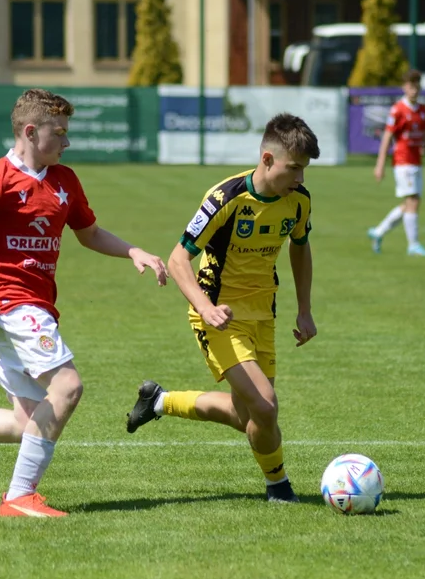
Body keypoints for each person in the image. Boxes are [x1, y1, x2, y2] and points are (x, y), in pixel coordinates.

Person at [0, 88, 168, 517]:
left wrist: (133, 251)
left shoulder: (65, 180)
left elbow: (89, 233)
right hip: (11, 304)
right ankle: (19, 497)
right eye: (59, 133)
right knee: (67, 387)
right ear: (31, 131)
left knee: (26, 422)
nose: (66, 141)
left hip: (31, 307)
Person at [125, 113, 319, 503]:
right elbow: (179, 258)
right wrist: (206, 308)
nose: (300, 179)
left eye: (304, 170)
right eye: (293, 168)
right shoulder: (225, 199)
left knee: (249, 416)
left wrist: (305, 309)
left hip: (263, 313)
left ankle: (159, 401)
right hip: (218, 314)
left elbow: (300, 248)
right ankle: (279, 488)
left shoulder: (298, 201)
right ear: (267, 159)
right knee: (265, 407)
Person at [368, 69, 425, 256]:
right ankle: (413, 245)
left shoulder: (422, 110)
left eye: (417, 86)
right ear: (404, 87)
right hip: (403, 161)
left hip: (416, 161)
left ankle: (378, 232)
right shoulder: (398, 110)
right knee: (413, 201)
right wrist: (380, 164)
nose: (415, 90)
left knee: (410, 204)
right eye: (411, 86)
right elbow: (387, 137)